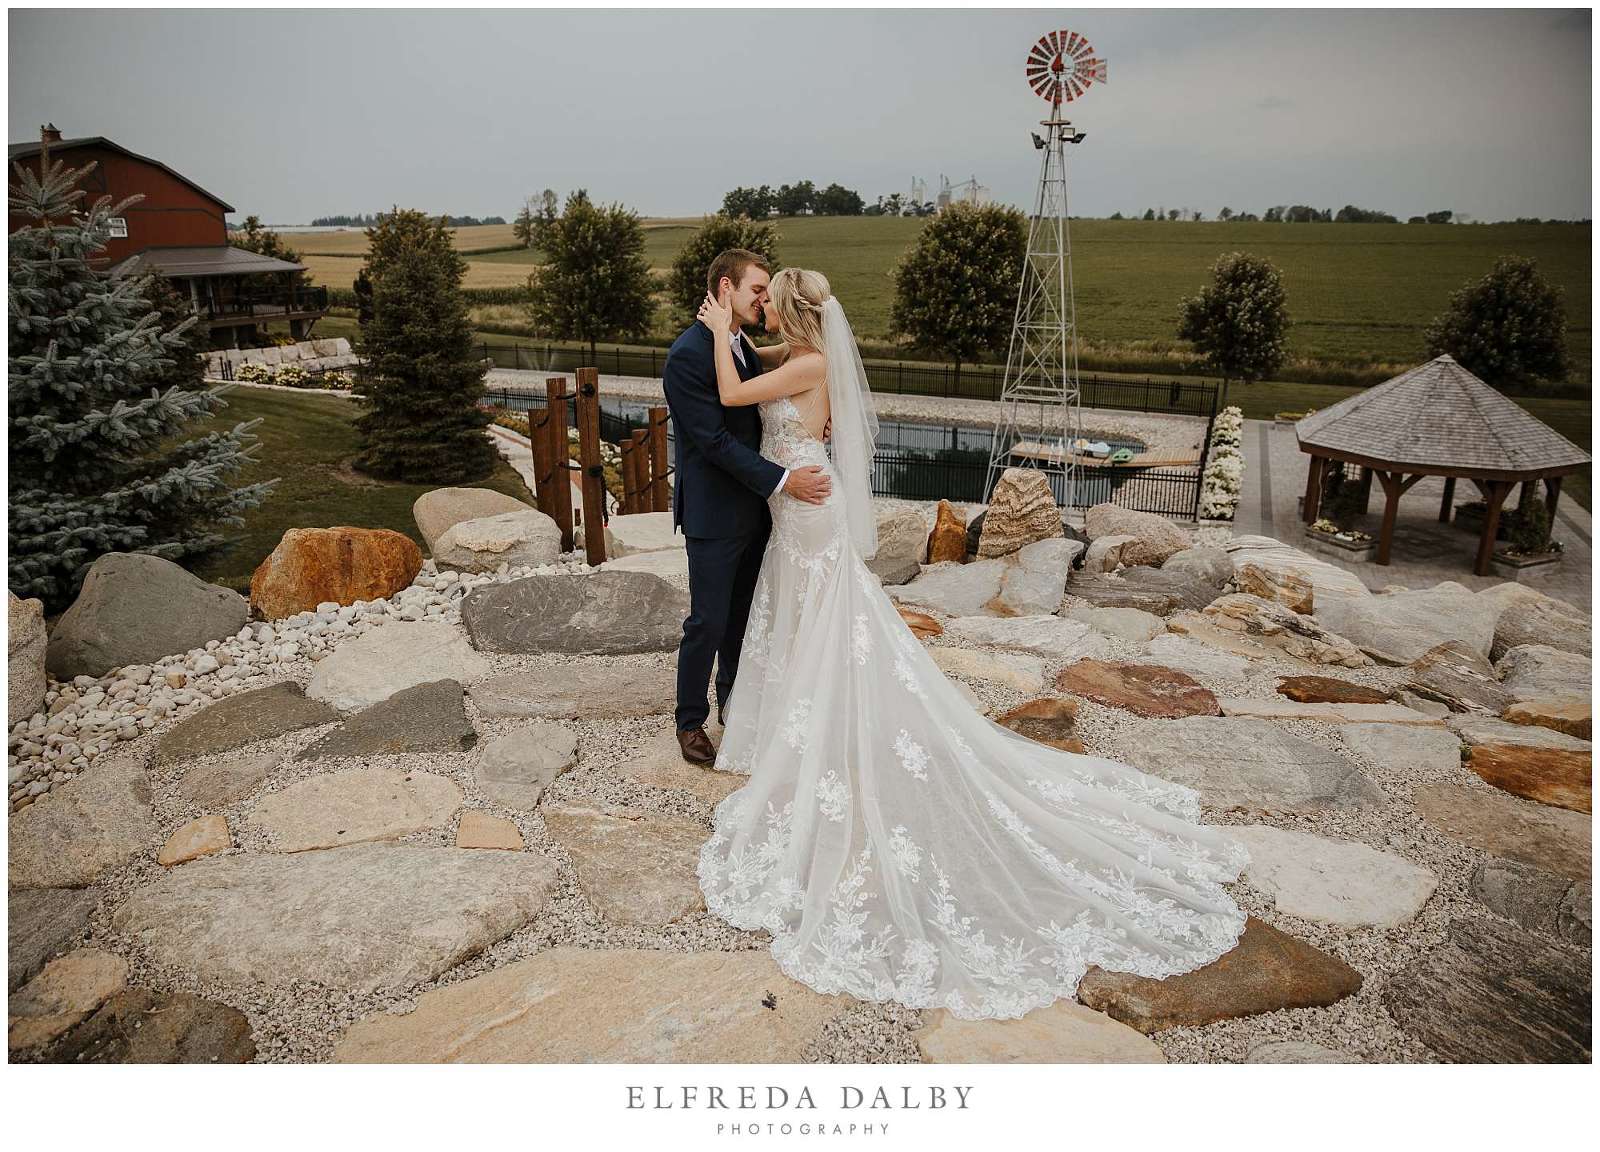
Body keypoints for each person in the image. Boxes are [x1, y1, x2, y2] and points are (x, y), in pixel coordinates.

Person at [691, 267, 1249, 1021]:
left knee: (828, 618)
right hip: (797, 504)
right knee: (808, 617)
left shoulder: (808, 362)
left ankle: (823, 721)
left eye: (768, 303)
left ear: (788, 312)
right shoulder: (796, 360)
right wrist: (733, 340)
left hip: (808, 504)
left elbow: (730, 396)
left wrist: (722, 330)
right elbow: (754, 394)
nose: (759, 312)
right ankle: (803, 716)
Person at [661, 250, 832, 767]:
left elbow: (797, 369)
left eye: (768, 291)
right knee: (707, 622)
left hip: (762, 510)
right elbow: (712, 440)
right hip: (716, 513)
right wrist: (783, 479)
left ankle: (734, 702)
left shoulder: (743, 347)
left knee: (745, 617)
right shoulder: (689, 354)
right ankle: (689, 721)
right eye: (757, 289)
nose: (764, 298)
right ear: (724, 288)